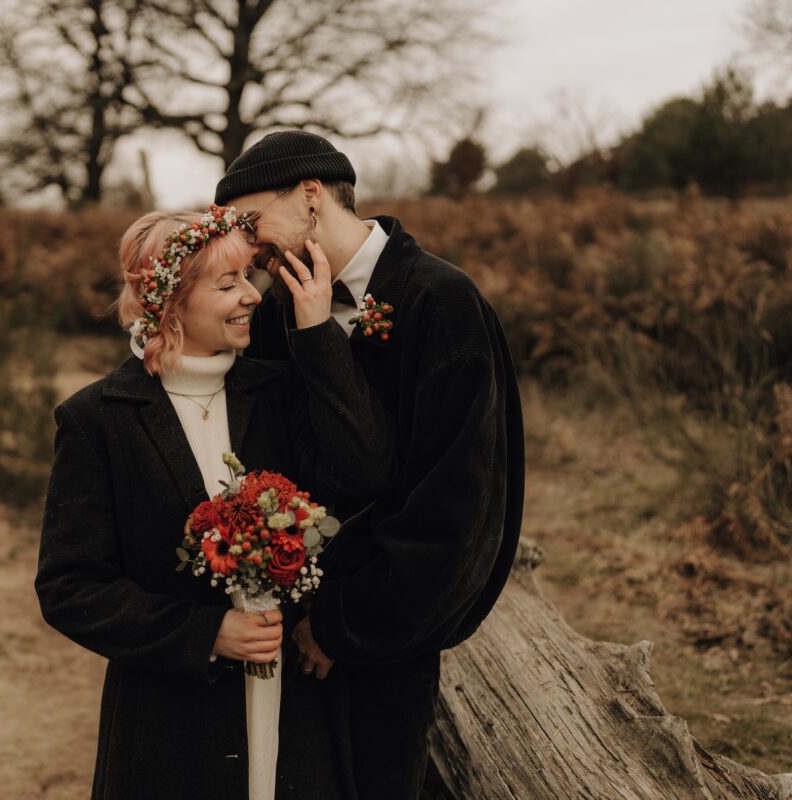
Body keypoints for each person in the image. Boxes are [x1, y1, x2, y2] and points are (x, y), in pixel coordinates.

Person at [34, 205, 393, 799]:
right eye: (227, 284)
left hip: (296, 704)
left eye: (249, 277)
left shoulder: (277, 392)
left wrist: (318, 335)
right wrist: (205, 633)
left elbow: (363, 472)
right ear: (169, 302)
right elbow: (70, 587)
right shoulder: (99, 420)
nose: (252, 295)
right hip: (171, 725)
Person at [215, 130, 526, 799]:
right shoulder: (271, 314)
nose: (247, 245)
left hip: (385, 638)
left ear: (309, 196)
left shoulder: (440, 303)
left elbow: (459, 508)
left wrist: (342, 628)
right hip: (283, 628)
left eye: (250, 222)